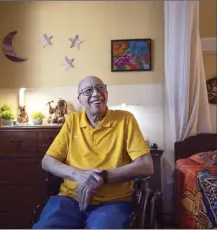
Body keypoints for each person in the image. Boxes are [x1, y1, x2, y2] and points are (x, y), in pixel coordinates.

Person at [32, 76, 154, 229]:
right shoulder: (72, 121)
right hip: (69, 199)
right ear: (80, 99)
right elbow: (47, 161)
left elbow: (146, 166)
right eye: (88, 91)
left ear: (107, 93)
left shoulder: (125, 119)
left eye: (100, 88)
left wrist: (101, 177)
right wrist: (79, 175)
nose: (96, 93)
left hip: (113, 202)